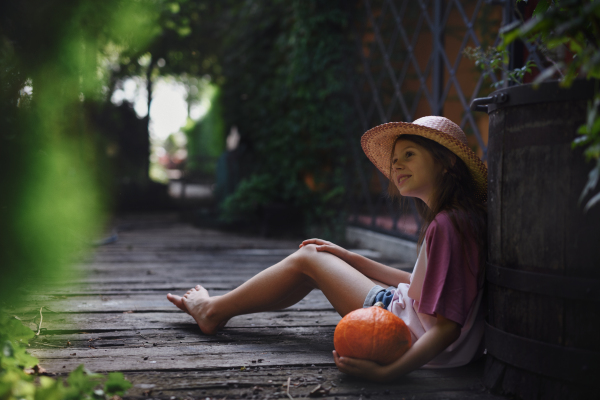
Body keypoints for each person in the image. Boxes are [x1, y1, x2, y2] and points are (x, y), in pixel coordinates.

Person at [167, 116, 487, 382]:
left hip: (401, 332)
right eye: (394, 159)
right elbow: (426, 289)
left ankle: (211, 311)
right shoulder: (458, 220)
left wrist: (388, 373)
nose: (397, 165)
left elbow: (446, 328)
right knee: (316, 265)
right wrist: (351, 258)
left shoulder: (447, 225)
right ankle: (218, 310)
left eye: (409, 155)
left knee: (310, 258)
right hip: (417, 327)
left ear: (446, 162)